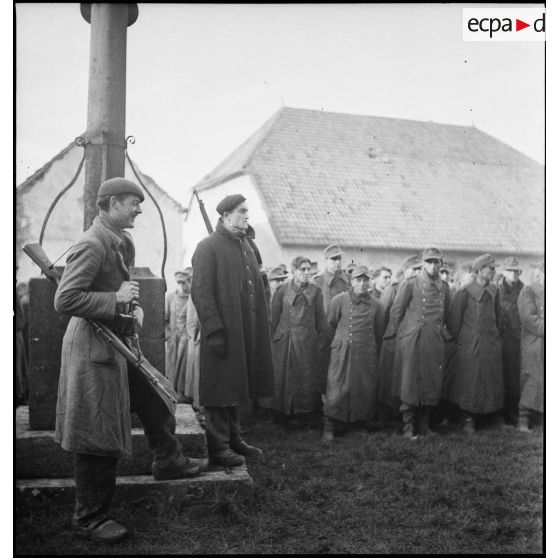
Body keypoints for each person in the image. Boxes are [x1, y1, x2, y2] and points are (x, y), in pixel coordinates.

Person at [54, 177, 202, 545]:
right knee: (96, 431)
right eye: (132, 203)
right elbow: (65, 300)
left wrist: (131, 305)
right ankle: (88, 518)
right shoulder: (92, 244)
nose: (138, 208)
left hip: (117, 342)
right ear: (110, 204)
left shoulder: (118, 242)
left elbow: (118, 288)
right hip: (93, 348)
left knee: (155, 395)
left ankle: (169, 461)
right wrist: (116, 299)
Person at [191, 194, 274, 467]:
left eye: (247, 211)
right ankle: (219, 446)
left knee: (235, 385)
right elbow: (201, 293)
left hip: (244, 332)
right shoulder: (207, 247)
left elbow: (260, 286)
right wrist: (215, 330)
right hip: (222, 334)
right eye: (241, 211)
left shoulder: (249, 246)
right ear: (225, 216)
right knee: (219, 388)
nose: (247, 216)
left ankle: (234, 439)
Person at [384, 248, 451, 439]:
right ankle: (407, 427)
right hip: (412, 341)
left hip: (433, 340)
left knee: (431, 381)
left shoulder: (445, 287)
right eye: (429, 262)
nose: (432, 265)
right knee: (409, 383)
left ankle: (424, 425)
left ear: (441, 263)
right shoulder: (411, 284)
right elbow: (396, 312)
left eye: (436, 262)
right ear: (422, 264)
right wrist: (402, 336)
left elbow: (447, 314)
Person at [261, 256, 327, 429]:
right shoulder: (282, 291)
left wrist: (320, 341)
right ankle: (280, 414)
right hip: (284, 341)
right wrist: (272, 340)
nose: (306, 273)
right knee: (282, 379)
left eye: (308, 269)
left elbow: (320, 320)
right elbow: (273, 318)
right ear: (293, 271)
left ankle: (303, 414)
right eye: (302, 269)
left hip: (306, 343)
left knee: (305, 378)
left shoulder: (316, 291)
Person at [322, 265, 385, 442]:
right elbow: (329, 326)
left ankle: (357, 423)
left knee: (363, 388)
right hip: (341, 351)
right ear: (352, 281)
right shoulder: (339, 300)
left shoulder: (377, 305)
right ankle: (329, 426)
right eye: (358, 280)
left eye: (366, 280)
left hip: (365, 352)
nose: (362, 284)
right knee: (336, 386)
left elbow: (379, 331)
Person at [447, 254, 504, 433]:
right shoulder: (464, 292)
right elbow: (453, 322)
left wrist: (493, 337)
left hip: (491, 344)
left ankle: (491, 415)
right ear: (479, 270)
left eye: (494, 269)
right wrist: (467, 341)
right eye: (491, 268)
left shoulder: (495, 291)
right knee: (470, 381)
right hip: (470, 345)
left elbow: (499, 318)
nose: (494, 272)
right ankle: (468, 418)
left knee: (491, 379)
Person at [376, 255, 421, 420]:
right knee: (389, 379)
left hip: (409, 340)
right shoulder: (393, 289)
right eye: (414, 269)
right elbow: (382, 315)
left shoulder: (419, 289)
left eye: (419, 269)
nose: (417, 273)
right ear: (404, 270)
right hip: (393, 339)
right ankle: (385, 415)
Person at [517, 261, 544, 432]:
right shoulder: (528, 292)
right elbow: (528, 318)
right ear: (540, 273)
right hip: (533, 343)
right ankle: (523, 419)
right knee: (532, 378)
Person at [498, 257, 524, 426]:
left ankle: (513, 411)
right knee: (501, 374)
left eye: (516, 271)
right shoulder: (497, 289)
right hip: (501, 337)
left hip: (518, 337)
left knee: (515, 375)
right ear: (503, 272)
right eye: (509, 270)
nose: (513, 274)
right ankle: (501, 412)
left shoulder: (524, 289)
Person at [164, 268, 193, 402]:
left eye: (184, 282)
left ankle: (183, 394)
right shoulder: (170, 298)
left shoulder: (193, 299)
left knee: (185, 369)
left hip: (186, 340)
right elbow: (164, 320)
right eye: (179, 283)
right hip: (173, 340)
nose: (181, 286)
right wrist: (168, 335)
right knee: (171, 368)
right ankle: (171, 393)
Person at [184, 294, 204, 426]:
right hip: (199, 339)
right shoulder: (194, 295)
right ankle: (200, 409)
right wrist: (195, 336)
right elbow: (191, 321)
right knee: (198, 376)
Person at [313, 244, 350, 312]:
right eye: (334, 259)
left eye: (339, 258)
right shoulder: (318, 281)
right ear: (326, 260)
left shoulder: (349, 279)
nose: (338, 262)